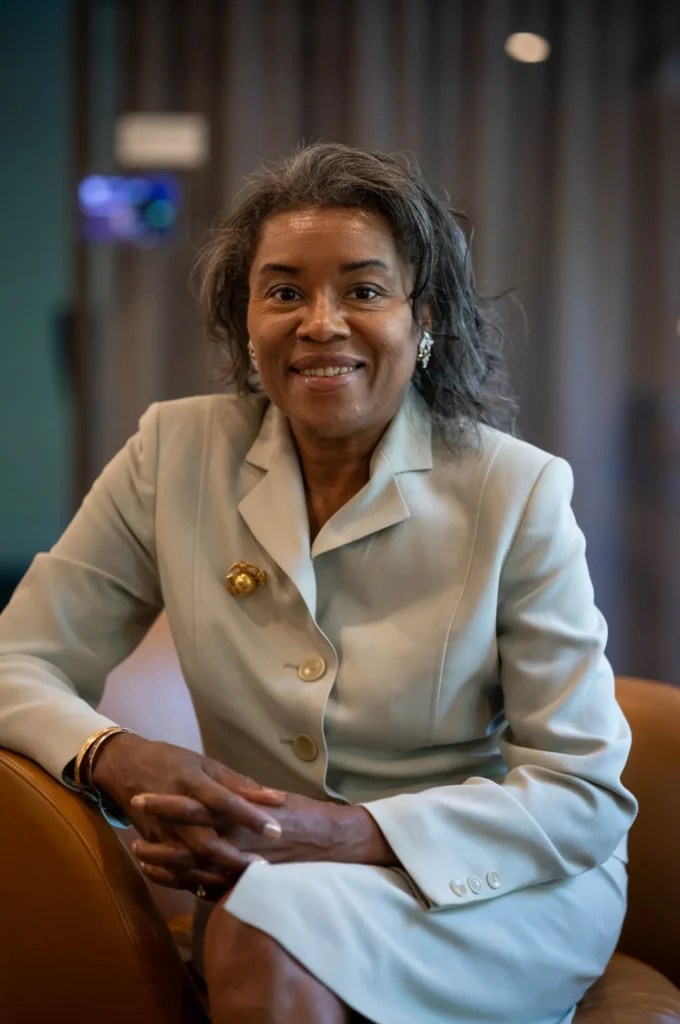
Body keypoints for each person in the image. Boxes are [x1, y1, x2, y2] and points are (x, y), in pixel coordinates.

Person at [0, 143, 636, 1024]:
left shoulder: (516, 489)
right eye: (284, 292)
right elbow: (16, 660)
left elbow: (582, 792)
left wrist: (345, 834)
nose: (321, 323)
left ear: (424, 319)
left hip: (491, 886)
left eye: (365, 291)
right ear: (246, 320)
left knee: (262, 928)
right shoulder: (173, 454)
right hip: (268, 878)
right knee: (265, 921)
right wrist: (115, 756)